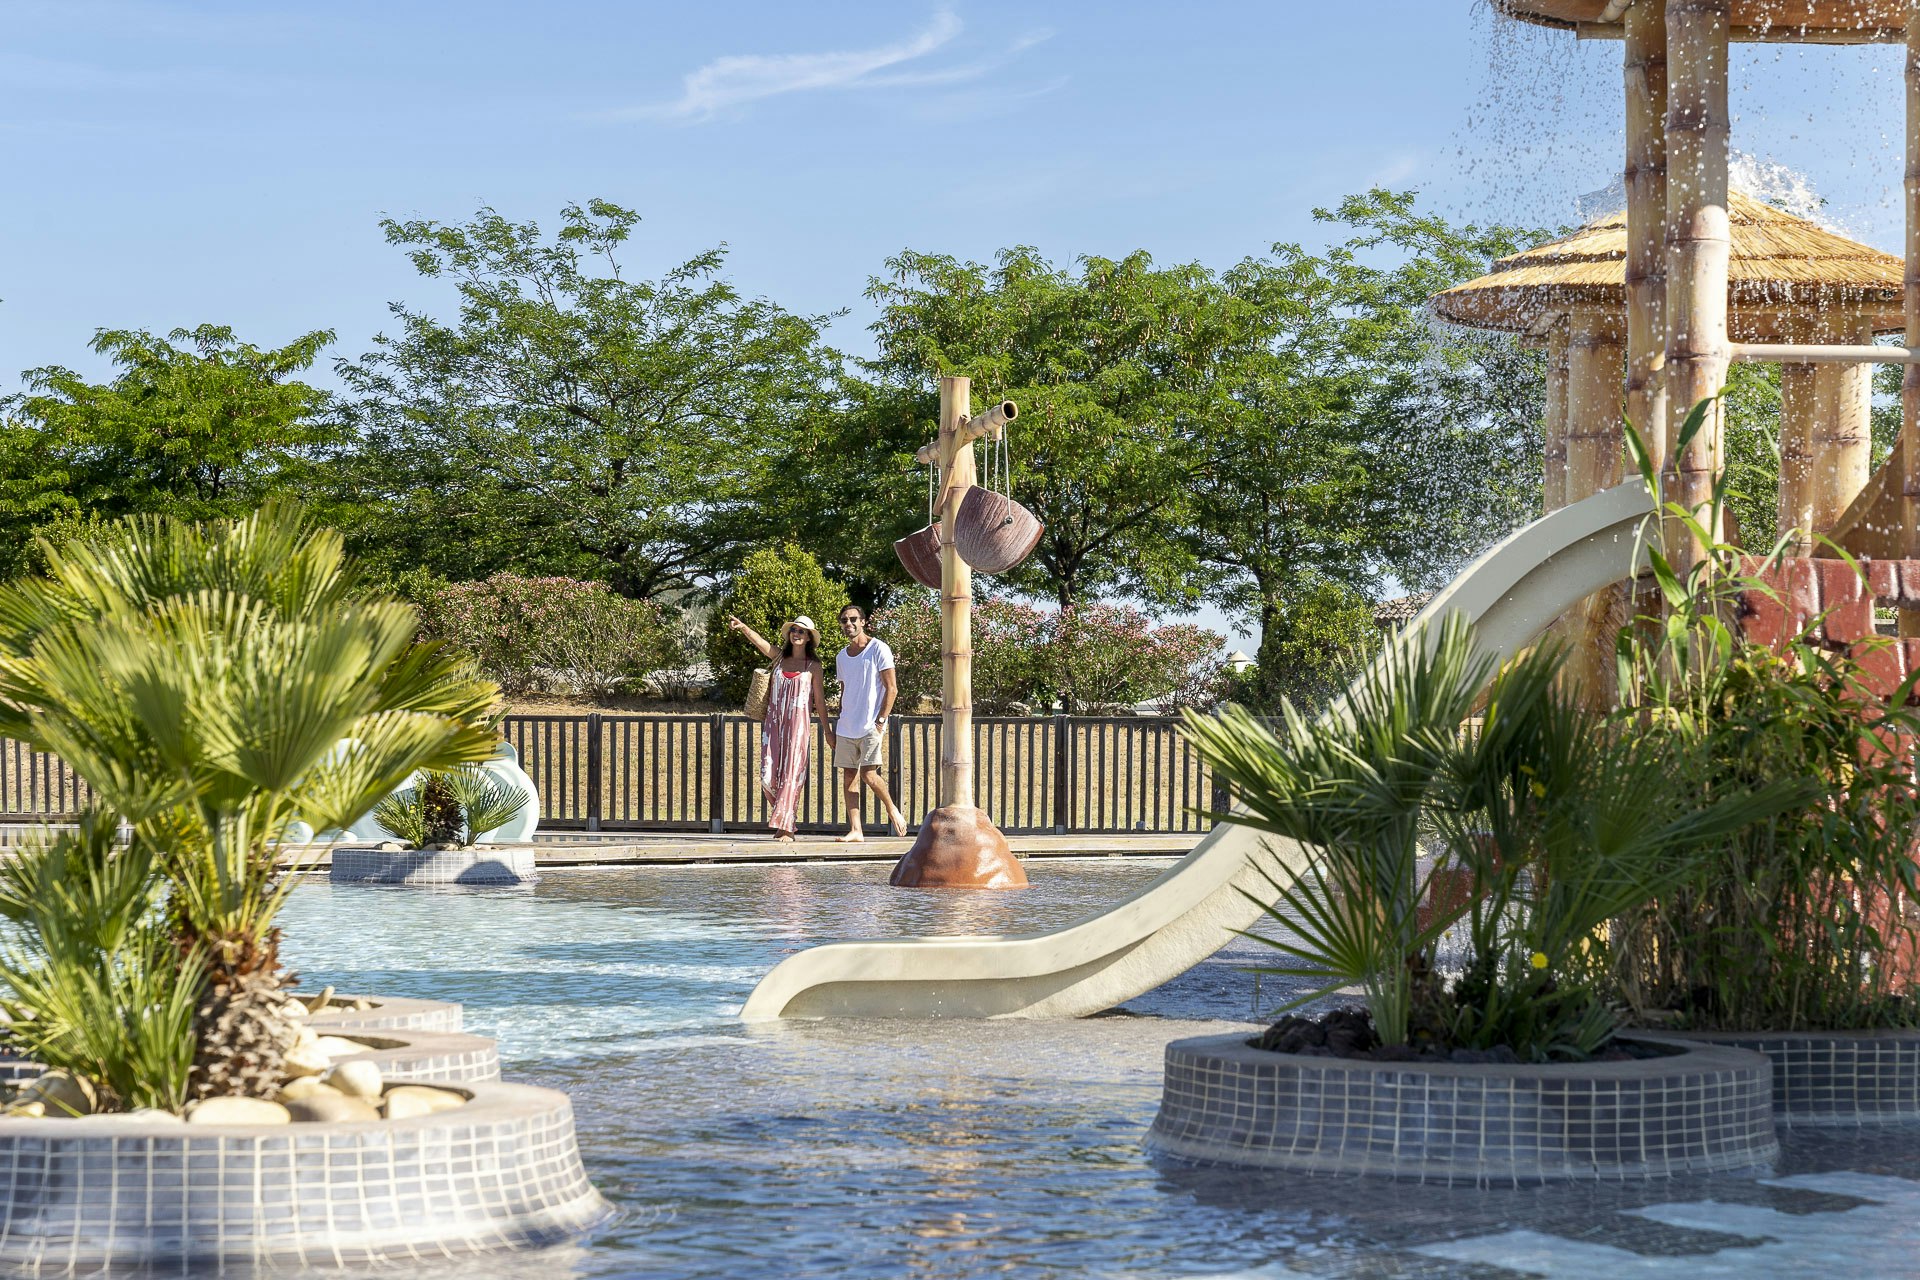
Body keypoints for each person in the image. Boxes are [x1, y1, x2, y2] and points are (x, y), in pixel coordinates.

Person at [728, 614, 831, 843]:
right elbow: (761, 644)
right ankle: (784, 818)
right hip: (773, 725)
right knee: (768, 774)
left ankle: (786, 827)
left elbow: (820, 702)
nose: (797, 634)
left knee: (792, 774)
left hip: (797, 728)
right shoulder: (779, 658)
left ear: (809, 638)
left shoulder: (813, 666)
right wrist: (744, 627)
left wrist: (827, 732)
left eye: (801, 631)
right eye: (794, 630)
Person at [832, 604, 908, 842]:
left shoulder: (878, 648)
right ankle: (856, 830)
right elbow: (844, 690)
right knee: (849, 777)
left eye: (853, 619)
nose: (849, 624)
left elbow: (892, 688)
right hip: (846, 726)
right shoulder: (841, 657)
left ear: (863, 621)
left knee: (869, 775)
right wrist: (840, 719)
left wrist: (880, 721)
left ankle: (892, 810)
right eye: (844, 620)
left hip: (870, 726)